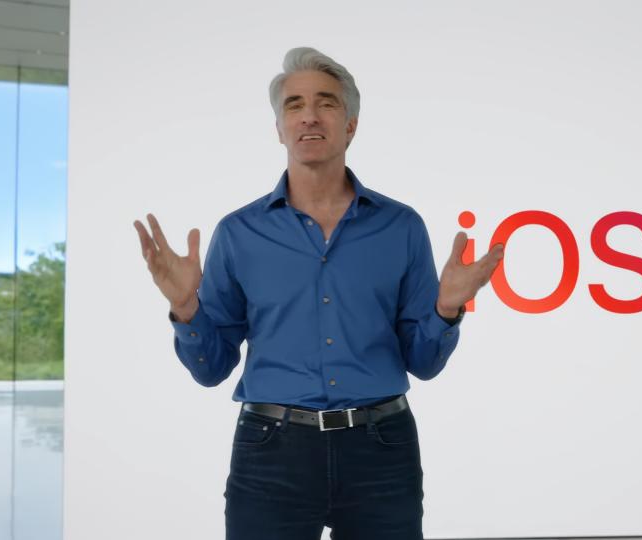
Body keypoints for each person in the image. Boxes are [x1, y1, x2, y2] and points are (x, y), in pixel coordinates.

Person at [132, 46, 504, 540]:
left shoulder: (401, 227)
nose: (309, 115)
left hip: (382, 449)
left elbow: (425, 363)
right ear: (279, 128)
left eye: (326, 103)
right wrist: (185, 308)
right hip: (271, 451)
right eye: (294, 105)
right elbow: (211, 369)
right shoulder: (239, 233)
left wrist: (447, 307)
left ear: (350, 125)